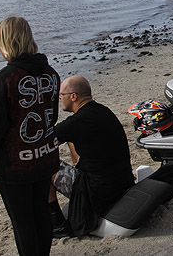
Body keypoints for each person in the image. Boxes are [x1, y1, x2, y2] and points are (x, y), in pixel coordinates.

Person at [0, 16, 60, 256]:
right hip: (45, 156)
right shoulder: (51, 73)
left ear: (5, 44)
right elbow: (51, 117)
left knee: (23, 222)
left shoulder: (4, 79)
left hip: (16, 165)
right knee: (41, 212)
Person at [49, 76, 135, 237]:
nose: (60, 99)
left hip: (98, 192)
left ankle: (57, 225)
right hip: (121, 182)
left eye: (61, 95)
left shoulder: (78, 121)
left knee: (45, 166)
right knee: (71, 140)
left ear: (73, 96)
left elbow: (43, 143)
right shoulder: (102, 111)